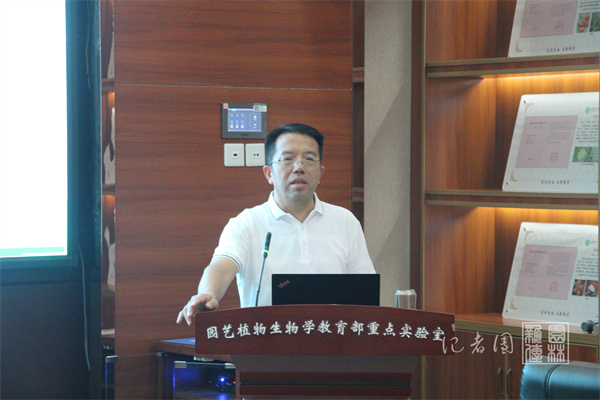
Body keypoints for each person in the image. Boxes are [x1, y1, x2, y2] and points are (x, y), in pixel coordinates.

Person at [176, 123, 375, 325]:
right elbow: (221, 267)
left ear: (320, 173)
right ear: (269, 173)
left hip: (333, 338)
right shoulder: (246, 223)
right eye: (288, 159)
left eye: (309, 159)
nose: (299, 167)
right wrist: (208, 293)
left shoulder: (345, 221)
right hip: (267, 339)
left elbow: (364, 289)